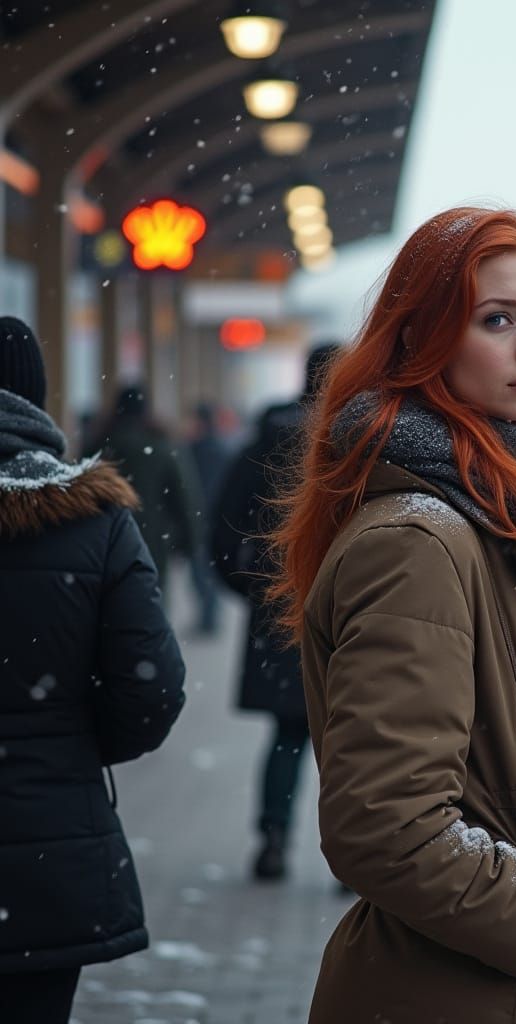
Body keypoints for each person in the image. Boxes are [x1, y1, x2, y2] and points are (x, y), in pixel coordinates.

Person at [268, 209, 516, 1023]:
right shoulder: (422, 539)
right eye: (498, 320)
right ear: (422, 340)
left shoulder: (489, 515)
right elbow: (385, 830)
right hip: (469, 993)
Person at [0, 317, 186, 1023]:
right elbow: (153, 689)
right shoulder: (95, 519)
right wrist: (72, 749)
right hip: (52, 860)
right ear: (38, 398)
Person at [211, 344, 340, 881]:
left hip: (280, 611)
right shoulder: (358, 442)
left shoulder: (267, 440)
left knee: (288, 735)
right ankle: (352, 863)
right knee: (348, 743)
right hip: (347, 614)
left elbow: (220, 529)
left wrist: (250, 589)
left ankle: (271, 839)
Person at [92, 384, 202, 594]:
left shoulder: (101, 445)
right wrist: (188, 542)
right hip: (152, 546)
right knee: (152, 609)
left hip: (105, 547)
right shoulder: (160, 446)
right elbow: (184, 498)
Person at [187, 402, 229, 634]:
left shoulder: (195, 449)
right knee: (206, 569)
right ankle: (209, 615)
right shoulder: (221, 449)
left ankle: (208, 617)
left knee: (200, 570)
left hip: (201, 516)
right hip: (213, 516)